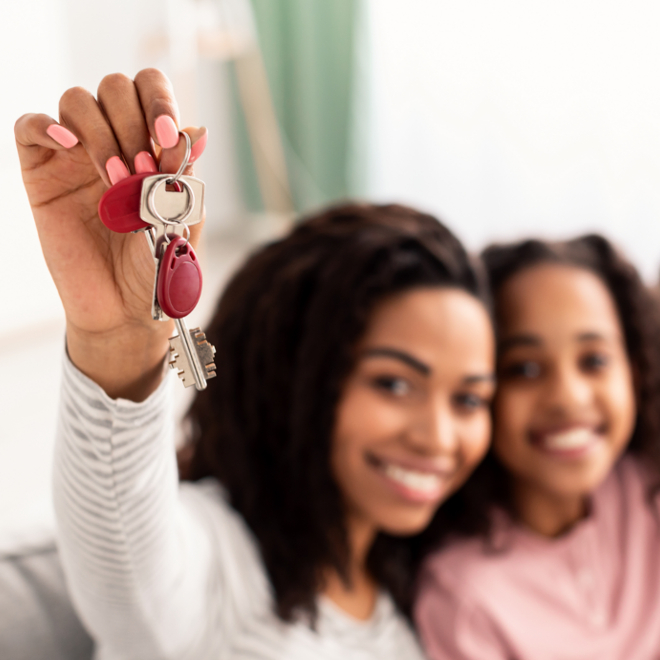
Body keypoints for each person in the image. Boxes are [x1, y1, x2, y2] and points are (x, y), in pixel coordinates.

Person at [15, 69, 496, 659]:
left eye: (470, 398)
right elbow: (126, 579)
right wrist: (119, 342)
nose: (439, 437)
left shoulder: (429, 601)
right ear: (294, 374)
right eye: (394, 383)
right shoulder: (217, 558)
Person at [415, 235, 660, 660]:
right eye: (525, 369)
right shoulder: (462, 598)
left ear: (634, 372)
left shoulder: (648, 490)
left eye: (594, 361)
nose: (567, 396)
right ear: (480, 389)